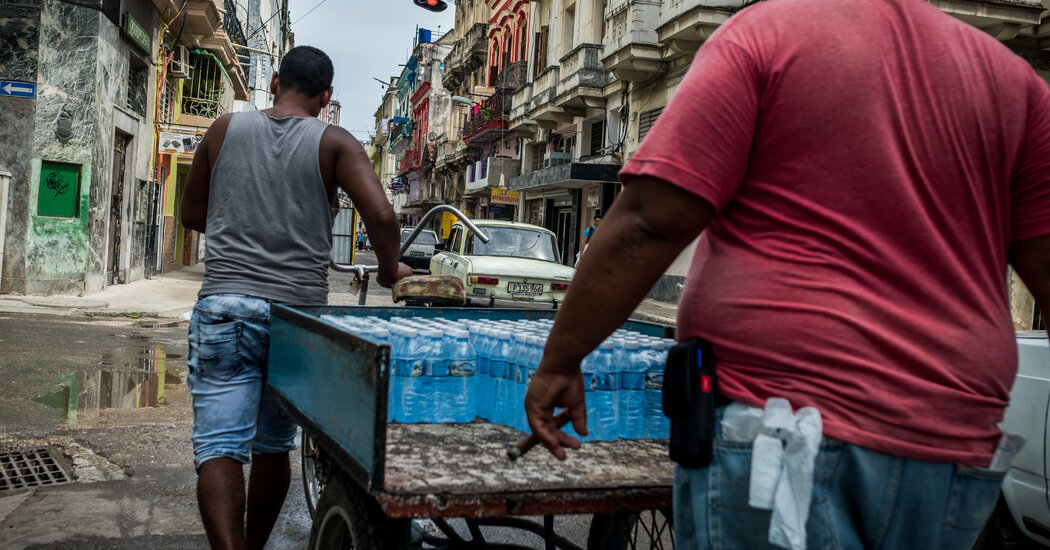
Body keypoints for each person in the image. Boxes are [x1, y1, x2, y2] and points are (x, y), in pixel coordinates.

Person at [524, 1, 1050, 548]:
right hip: (951, 449)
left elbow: (650, 222)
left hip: (782, 430)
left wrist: (561, 360)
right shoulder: (1014, 82)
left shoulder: (768, 35)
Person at [180, 46, 412, 550]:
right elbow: (384, 216)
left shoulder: (223, 130)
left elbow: (192, 213)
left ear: (275, 80)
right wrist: (391, 270)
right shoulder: (336, 143)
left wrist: (240, 217)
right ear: (327, 97)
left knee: (219, 448)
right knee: (272, 447)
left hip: (225, 307)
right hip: (295, 317)